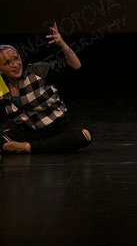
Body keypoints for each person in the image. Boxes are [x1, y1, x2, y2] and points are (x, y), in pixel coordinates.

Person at [1, 24, 92, 154]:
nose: (15, 65)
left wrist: (62, 44)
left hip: (57, 127)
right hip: (28, 132)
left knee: (84, 136)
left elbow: (75, 65)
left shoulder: (37, 71)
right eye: (7, 63)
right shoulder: (1, 86)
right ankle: (42, 146)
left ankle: (28, 148)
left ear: (20, 58)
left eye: (16, 59)